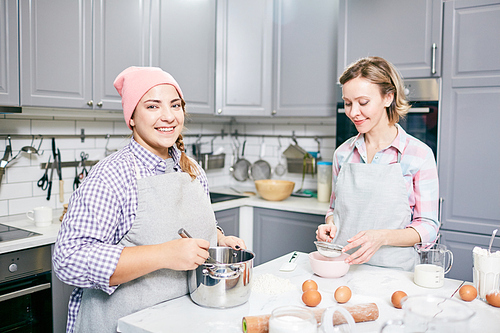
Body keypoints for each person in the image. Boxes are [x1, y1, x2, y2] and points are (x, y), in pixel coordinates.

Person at [53, 66, 246, 333]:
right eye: (152, 106)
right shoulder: (111, 176)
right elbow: (69, 260)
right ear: (131, 117)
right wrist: (164, 255)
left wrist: (218, 238)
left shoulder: (193, 170)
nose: (168, 116)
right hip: (122, 324)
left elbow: (178, 225)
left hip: (182, 321)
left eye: (175, 105)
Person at [316, 56, 439, 271]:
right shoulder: (343, 153)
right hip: (341, 269)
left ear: (388, 97)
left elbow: (428, 228)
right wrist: (329, 225)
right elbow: (335, 209)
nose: (353, 113)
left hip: (394, 275)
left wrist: (382, 238)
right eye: (347, 103)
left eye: (363, 103)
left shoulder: (418, 154)